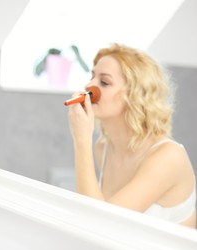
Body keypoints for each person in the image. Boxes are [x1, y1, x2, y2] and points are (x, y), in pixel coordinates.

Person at [68, 43, 196, 228]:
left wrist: (81, 140)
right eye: (92, 76)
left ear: (135, 95)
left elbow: (99, 224)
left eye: (104, 82)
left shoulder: (168, 157)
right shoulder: (102, 148)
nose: (89, 85)